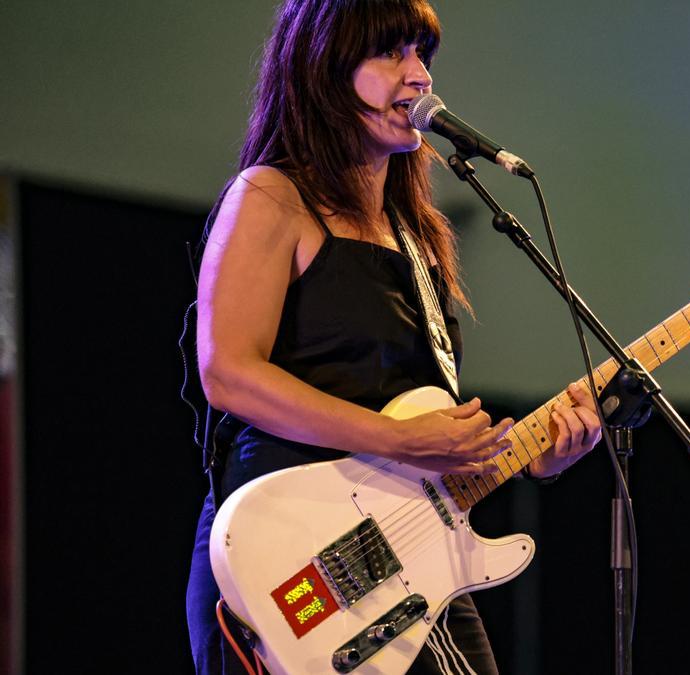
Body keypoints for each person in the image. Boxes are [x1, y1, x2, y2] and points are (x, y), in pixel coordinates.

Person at [183, 2, 603, 673]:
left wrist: (531, 455)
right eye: (391, 54)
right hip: (289, 560)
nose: (418, 78)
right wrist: (400, 440)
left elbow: (416, 439)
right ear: (323, 69)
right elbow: (228, 372)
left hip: (401, 561)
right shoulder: (271, 197)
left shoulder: (415, 235)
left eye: (422, 56)